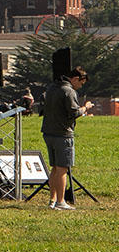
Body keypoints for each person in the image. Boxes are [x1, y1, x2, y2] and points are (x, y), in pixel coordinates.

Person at [42, 67, 94, 210]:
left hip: (48, 132)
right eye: (81, 83)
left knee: (54, 168)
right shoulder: (69, 91)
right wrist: (86, 107)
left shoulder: (52, 88)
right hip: (63, 134)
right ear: (76, 79)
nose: (80, 86)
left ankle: (52, 200)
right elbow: (74, 112)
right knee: (63, 168)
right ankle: (61, 201)